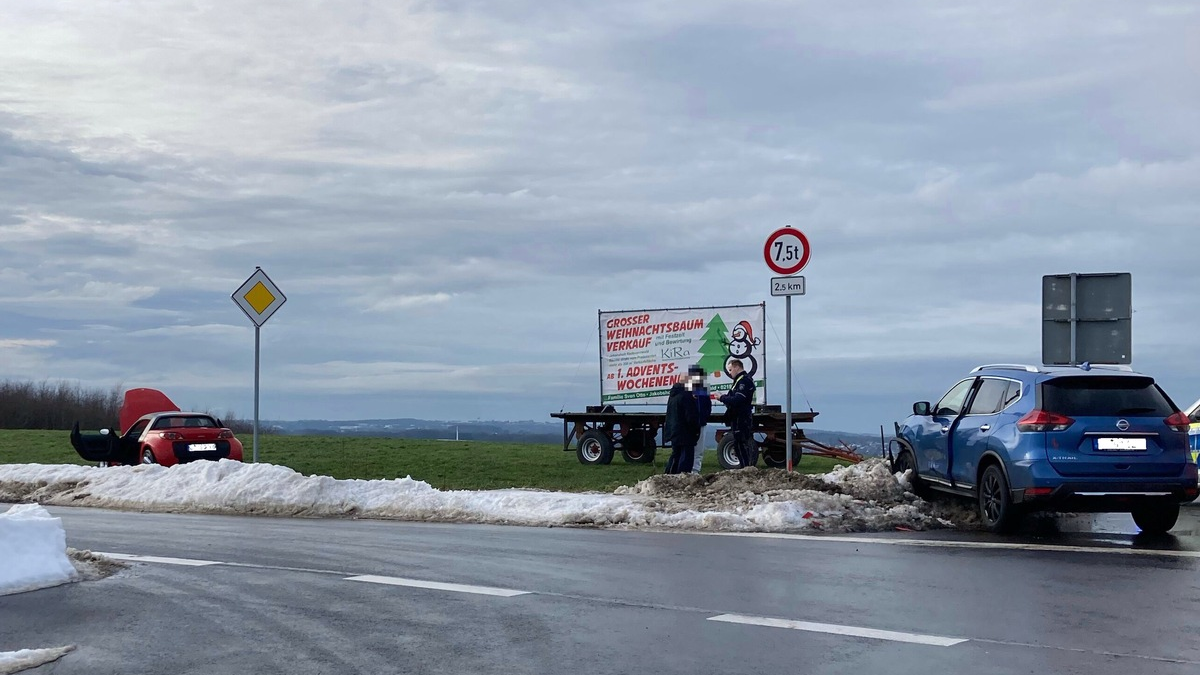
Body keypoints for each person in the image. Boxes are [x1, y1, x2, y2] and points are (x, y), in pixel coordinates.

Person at [718, 358, 756, 469]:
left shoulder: (744, 381)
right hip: (736, 417)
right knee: (738, 443)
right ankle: (744, 468)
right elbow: (733, 397)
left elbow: (738, 399)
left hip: (742, 417)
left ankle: (746, 468)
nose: (729, 373)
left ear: (736, 367)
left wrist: (722, 398)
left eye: (730, 370)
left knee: (741, 443)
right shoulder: (738, 381)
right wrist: (725, 397)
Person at [663, 374, 700, 474]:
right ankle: (681, 478)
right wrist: (696, 429)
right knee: (685, 459)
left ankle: (668, 476)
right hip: (686, 433)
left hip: (675, 431)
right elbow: (691, 417)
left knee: (676, 455)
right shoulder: (686, 396)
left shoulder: (673, 395)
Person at [687, 365, 712, 473]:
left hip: (701, 422)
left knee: (699, 449)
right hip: (690, 424)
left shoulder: (703, 390)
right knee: (689, 447)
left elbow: (708, 406)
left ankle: (695, 470)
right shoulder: (687, 390)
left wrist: (704, 417)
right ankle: (687, 469)